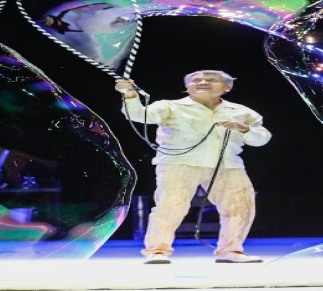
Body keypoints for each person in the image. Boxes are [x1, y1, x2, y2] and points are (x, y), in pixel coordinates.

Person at [114, 70, 271, 264]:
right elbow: (139, 115)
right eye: (196, 80)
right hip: (179, 163)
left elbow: (262, 139)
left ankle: (231, 250)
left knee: (240, 205)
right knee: (171, 206)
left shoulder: (242, 112)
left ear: (227, 88)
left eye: (211, 80)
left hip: (227, 164)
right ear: (187, 87)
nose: (203, 82)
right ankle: (157, 251)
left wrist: (244, 128)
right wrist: (130, 94)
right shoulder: (170, 106)